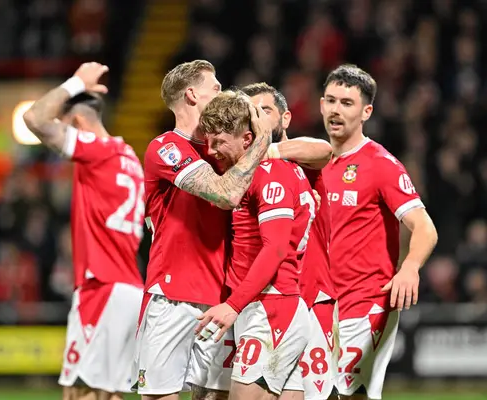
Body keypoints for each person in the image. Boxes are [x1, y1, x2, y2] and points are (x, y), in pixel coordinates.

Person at [135, 60, 273, 400]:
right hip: (172, 296)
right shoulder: (166, 147)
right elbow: (225, 194)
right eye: (215, 86)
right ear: (192, 94)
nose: (222, 92)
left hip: (219, 298)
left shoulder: (223, 153)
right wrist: (261, 143)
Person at [23, 62, 145, 400]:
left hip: (101, 286)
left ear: (77, 123)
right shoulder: (130, 157)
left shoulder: (97, 151)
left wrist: (75, 82)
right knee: (107, 392)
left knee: (76, 392)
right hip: (130, 287)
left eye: (66, 125)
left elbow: (34, 119)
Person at [320, 64, 438, 400]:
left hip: (368, 299)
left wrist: (410, 267)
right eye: (331, 100)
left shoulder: (380, 164)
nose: (336, 110)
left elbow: (424, 227)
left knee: (350, 394)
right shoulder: (316, 163)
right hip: (321, 301)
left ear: (366, 111)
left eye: (347, 103)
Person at [195, 90, 317, 400]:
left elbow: (275, 248)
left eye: (220, 141)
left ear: (247, 140)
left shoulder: (270, 172)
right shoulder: (253, 174)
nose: (212, 150)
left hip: (272, 307)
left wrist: (232, 306)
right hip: (265, 305)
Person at [241, 82, 339, 400]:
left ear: (285, 119)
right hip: (267, 299)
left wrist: (267, 150)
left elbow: (324, 150)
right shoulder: (246, 171)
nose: (256, 117)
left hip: (312, 298)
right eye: (250, 111)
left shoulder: (300, 162)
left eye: (264, 110)